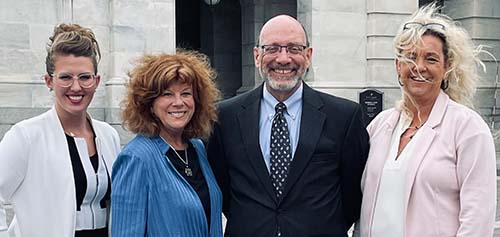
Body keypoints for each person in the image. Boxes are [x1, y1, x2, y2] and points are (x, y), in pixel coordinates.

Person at [207, 15, 369, 236]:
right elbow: (222, 188)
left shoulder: (344, 117)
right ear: (257, 56)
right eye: (272, 48)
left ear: (308, 55)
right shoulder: (224, 117)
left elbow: (353, 195)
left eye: (294, 48)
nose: (283, 59)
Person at [356, 4, 497, 237]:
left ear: (446, 67)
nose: (419, 67)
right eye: (410, 57)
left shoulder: (468, 129)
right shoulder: (380, 126)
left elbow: (477, 221)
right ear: (397, 65)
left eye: (431, 59)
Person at [0, 23, 120, 237]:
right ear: (49, 81)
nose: (76, 87)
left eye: (84, 77)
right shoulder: (26, 136)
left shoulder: (108, 135)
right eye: (65, 77)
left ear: (96, 81)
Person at [111, 50, 223, 236]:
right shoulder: (136, 158)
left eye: (186, 93)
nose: (178, 102)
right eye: (167, 94)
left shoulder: (197, 148)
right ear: (150, 104)